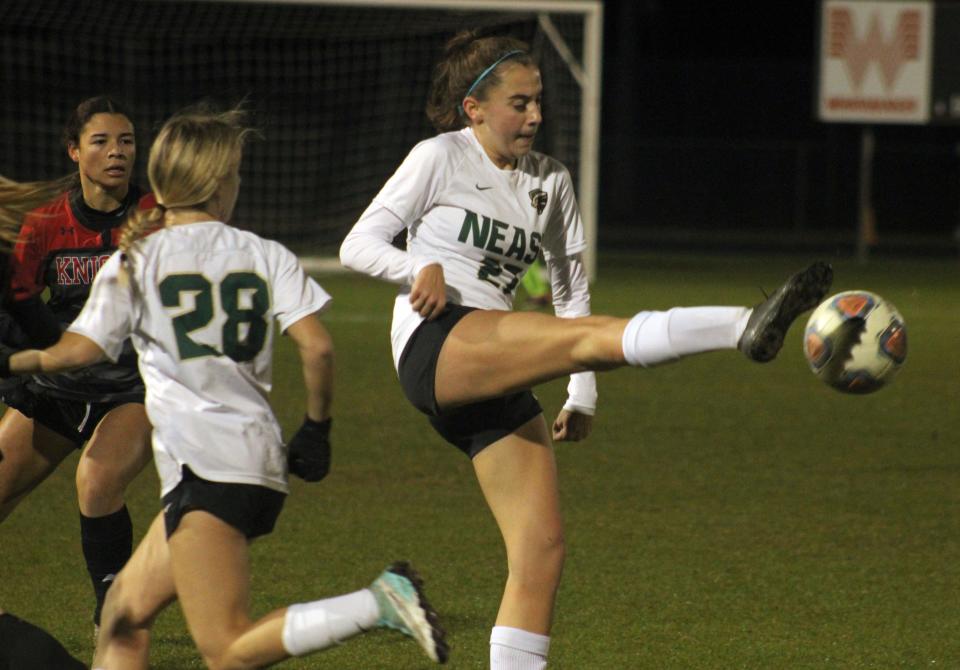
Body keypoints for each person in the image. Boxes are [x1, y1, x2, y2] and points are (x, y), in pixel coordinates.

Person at [339, 30, 833, 670]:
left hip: (498, 360)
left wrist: (583, 391)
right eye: (520, 103)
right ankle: (743, 324)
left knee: (541, 548)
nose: (536, 116)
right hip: (438, 344)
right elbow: (359, 242)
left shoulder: (551, 181)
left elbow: (570, 290)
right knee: (580, 340)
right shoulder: (439, 157)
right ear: (475, 108)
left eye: (539, 101)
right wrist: (417, 267)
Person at [0, 106, 448, 669]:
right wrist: (316, 429)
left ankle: (378, 603)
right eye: (235, 173)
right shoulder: (266, 253)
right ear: (217, 184)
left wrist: (18, 360)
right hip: (248, 463)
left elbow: (78, 351)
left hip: (208, 474)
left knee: (228, 648)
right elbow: (319, 348)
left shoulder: (136, 259)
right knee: (123, 618)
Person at [0, 96, 155, 630]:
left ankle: (113, 620)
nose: (117, 152)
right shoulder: (45, 224)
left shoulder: (157, 219)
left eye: (127, 140)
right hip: (57, 386)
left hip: (131, 390)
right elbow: (17, 308)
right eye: (101, 141)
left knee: (96, 481)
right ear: (74, 151)